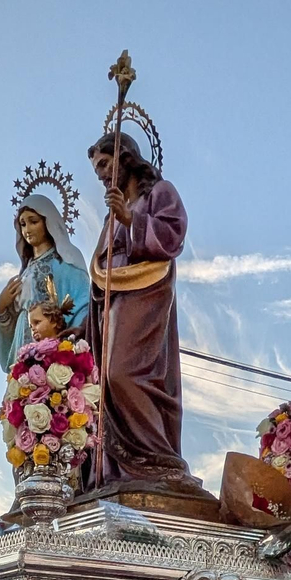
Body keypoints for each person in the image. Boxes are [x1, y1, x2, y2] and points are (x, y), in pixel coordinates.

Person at [84, 132, 201, 495]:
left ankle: (157, 461)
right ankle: (123, 469)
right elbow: (101, 262)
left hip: (146, 294)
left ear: (125, 157)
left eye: (104, 164)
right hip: (115, 298)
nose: (101, 175)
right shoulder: (112, 211)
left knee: (124, 374)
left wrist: (131, 219)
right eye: (96, 169)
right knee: (106, 379)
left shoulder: (159, 193)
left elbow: (172, 237)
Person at [0, 192, 90, 373]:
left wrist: (70, 341)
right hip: (21, 343)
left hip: (50, 344)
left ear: (48, 222)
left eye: (33, 221)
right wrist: (1, 307)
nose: (27, 229)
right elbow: (13, 316)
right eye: (23, 224)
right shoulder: (25, 270)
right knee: (22, 391)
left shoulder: (64, 261)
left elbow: (82, 302)